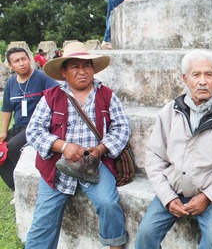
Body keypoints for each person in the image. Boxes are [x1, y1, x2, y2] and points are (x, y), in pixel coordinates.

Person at [135, 50, 212, 249]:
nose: (202, 81)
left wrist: (207, 196)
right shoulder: (170, 111)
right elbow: (154, 157)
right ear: (185, 78)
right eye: (196, 75)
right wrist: (168, 197)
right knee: (146, 234)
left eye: (208, 74)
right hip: (174, 188)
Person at [25, 42, 131, 249]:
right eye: (75, 67)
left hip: (95, 164)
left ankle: (115, 245)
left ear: (93, 69)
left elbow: (121, 128)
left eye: (87, 66)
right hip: (58, 167)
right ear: (64, 72)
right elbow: (33, 131)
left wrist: (100, 149)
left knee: (108, 205)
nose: (82, 72)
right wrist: (63, 146)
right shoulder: (51, 97)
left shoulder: (107, 95)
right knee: (43, 220)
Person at [0, 47, 58, 191]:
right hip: (19, 126)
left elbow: (58, 95)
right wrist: (3, 132)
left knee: (13, 146)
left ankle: (29, 185)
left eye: (24, 59)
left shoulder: (42, 77)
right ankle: (17, 189)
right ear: (10, 65)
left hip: (37, 126)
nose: (22, 63)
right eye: (17, 61)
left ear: (30, 59)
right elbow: (7, 109)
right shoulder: (11, 83)